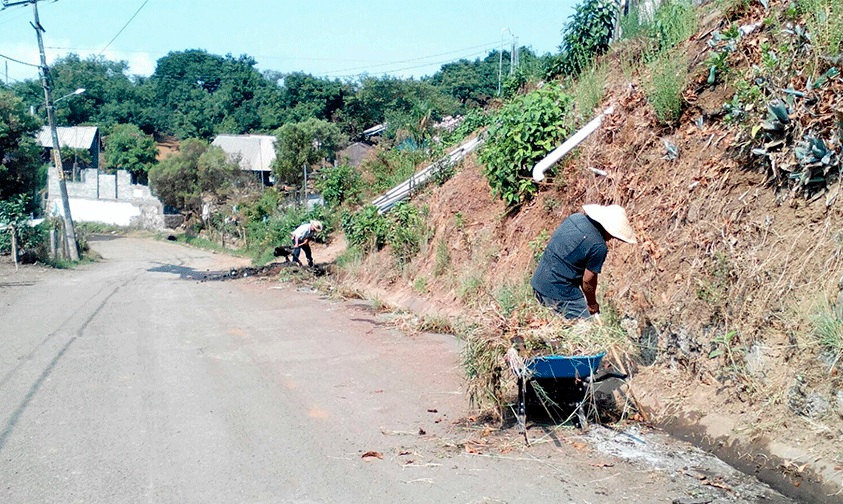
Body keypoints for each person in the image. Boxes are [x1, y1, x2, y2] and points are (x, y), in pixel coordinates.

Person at [530, 204, 636, 319]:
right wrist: (592, 304)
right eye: (613, 235)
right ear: (608, 229)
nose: (612, 238)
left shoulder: (575, 218)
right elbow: (587, 281)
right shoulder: (599, 246)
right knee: (586, 327)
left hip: (538, 281)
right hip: (557, 291)